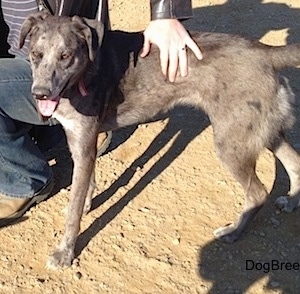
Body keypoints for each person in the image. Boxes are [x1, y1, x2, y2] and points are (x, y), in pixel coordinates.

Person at [0, 0, 203, 223]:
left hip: (70, 55)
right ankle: (55, 132)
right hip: (23, 56)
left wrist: (166, 12)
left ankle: (23, 179)